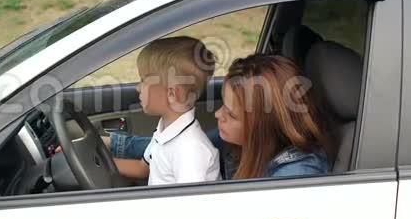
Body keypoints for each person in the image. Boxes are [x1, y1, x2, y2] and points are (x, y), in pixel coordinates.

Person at [106, 54, 333, 180]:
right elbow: (173, 147)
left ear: (261, 126)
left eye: (230, 114)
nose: (217, 114)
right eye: (223, 105)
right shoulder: (236, 142)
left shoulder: (294, 179)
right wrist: (108, 144)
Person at [113, 36, 221, 185]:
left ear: (172, 94)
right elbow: (142, 168)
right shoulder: (165, 130)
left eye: (144, 80)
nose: (138, 87)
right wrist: (100, 162)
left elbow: (189, 204)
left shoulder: (190, 150)